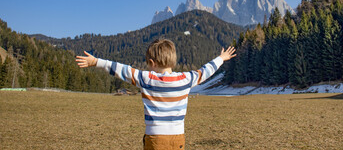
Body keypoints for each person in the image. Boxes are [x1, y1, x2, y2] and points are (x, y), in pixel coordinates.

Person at [76, 39, 236, 150]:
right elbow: (206, 71)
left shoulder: (146, 79)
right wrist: (221, 58)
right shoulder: (186, 79)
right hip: (178, 138)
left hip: (155, 138)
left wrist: (96, 62)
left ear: (152, 63)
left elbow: (121, 69)